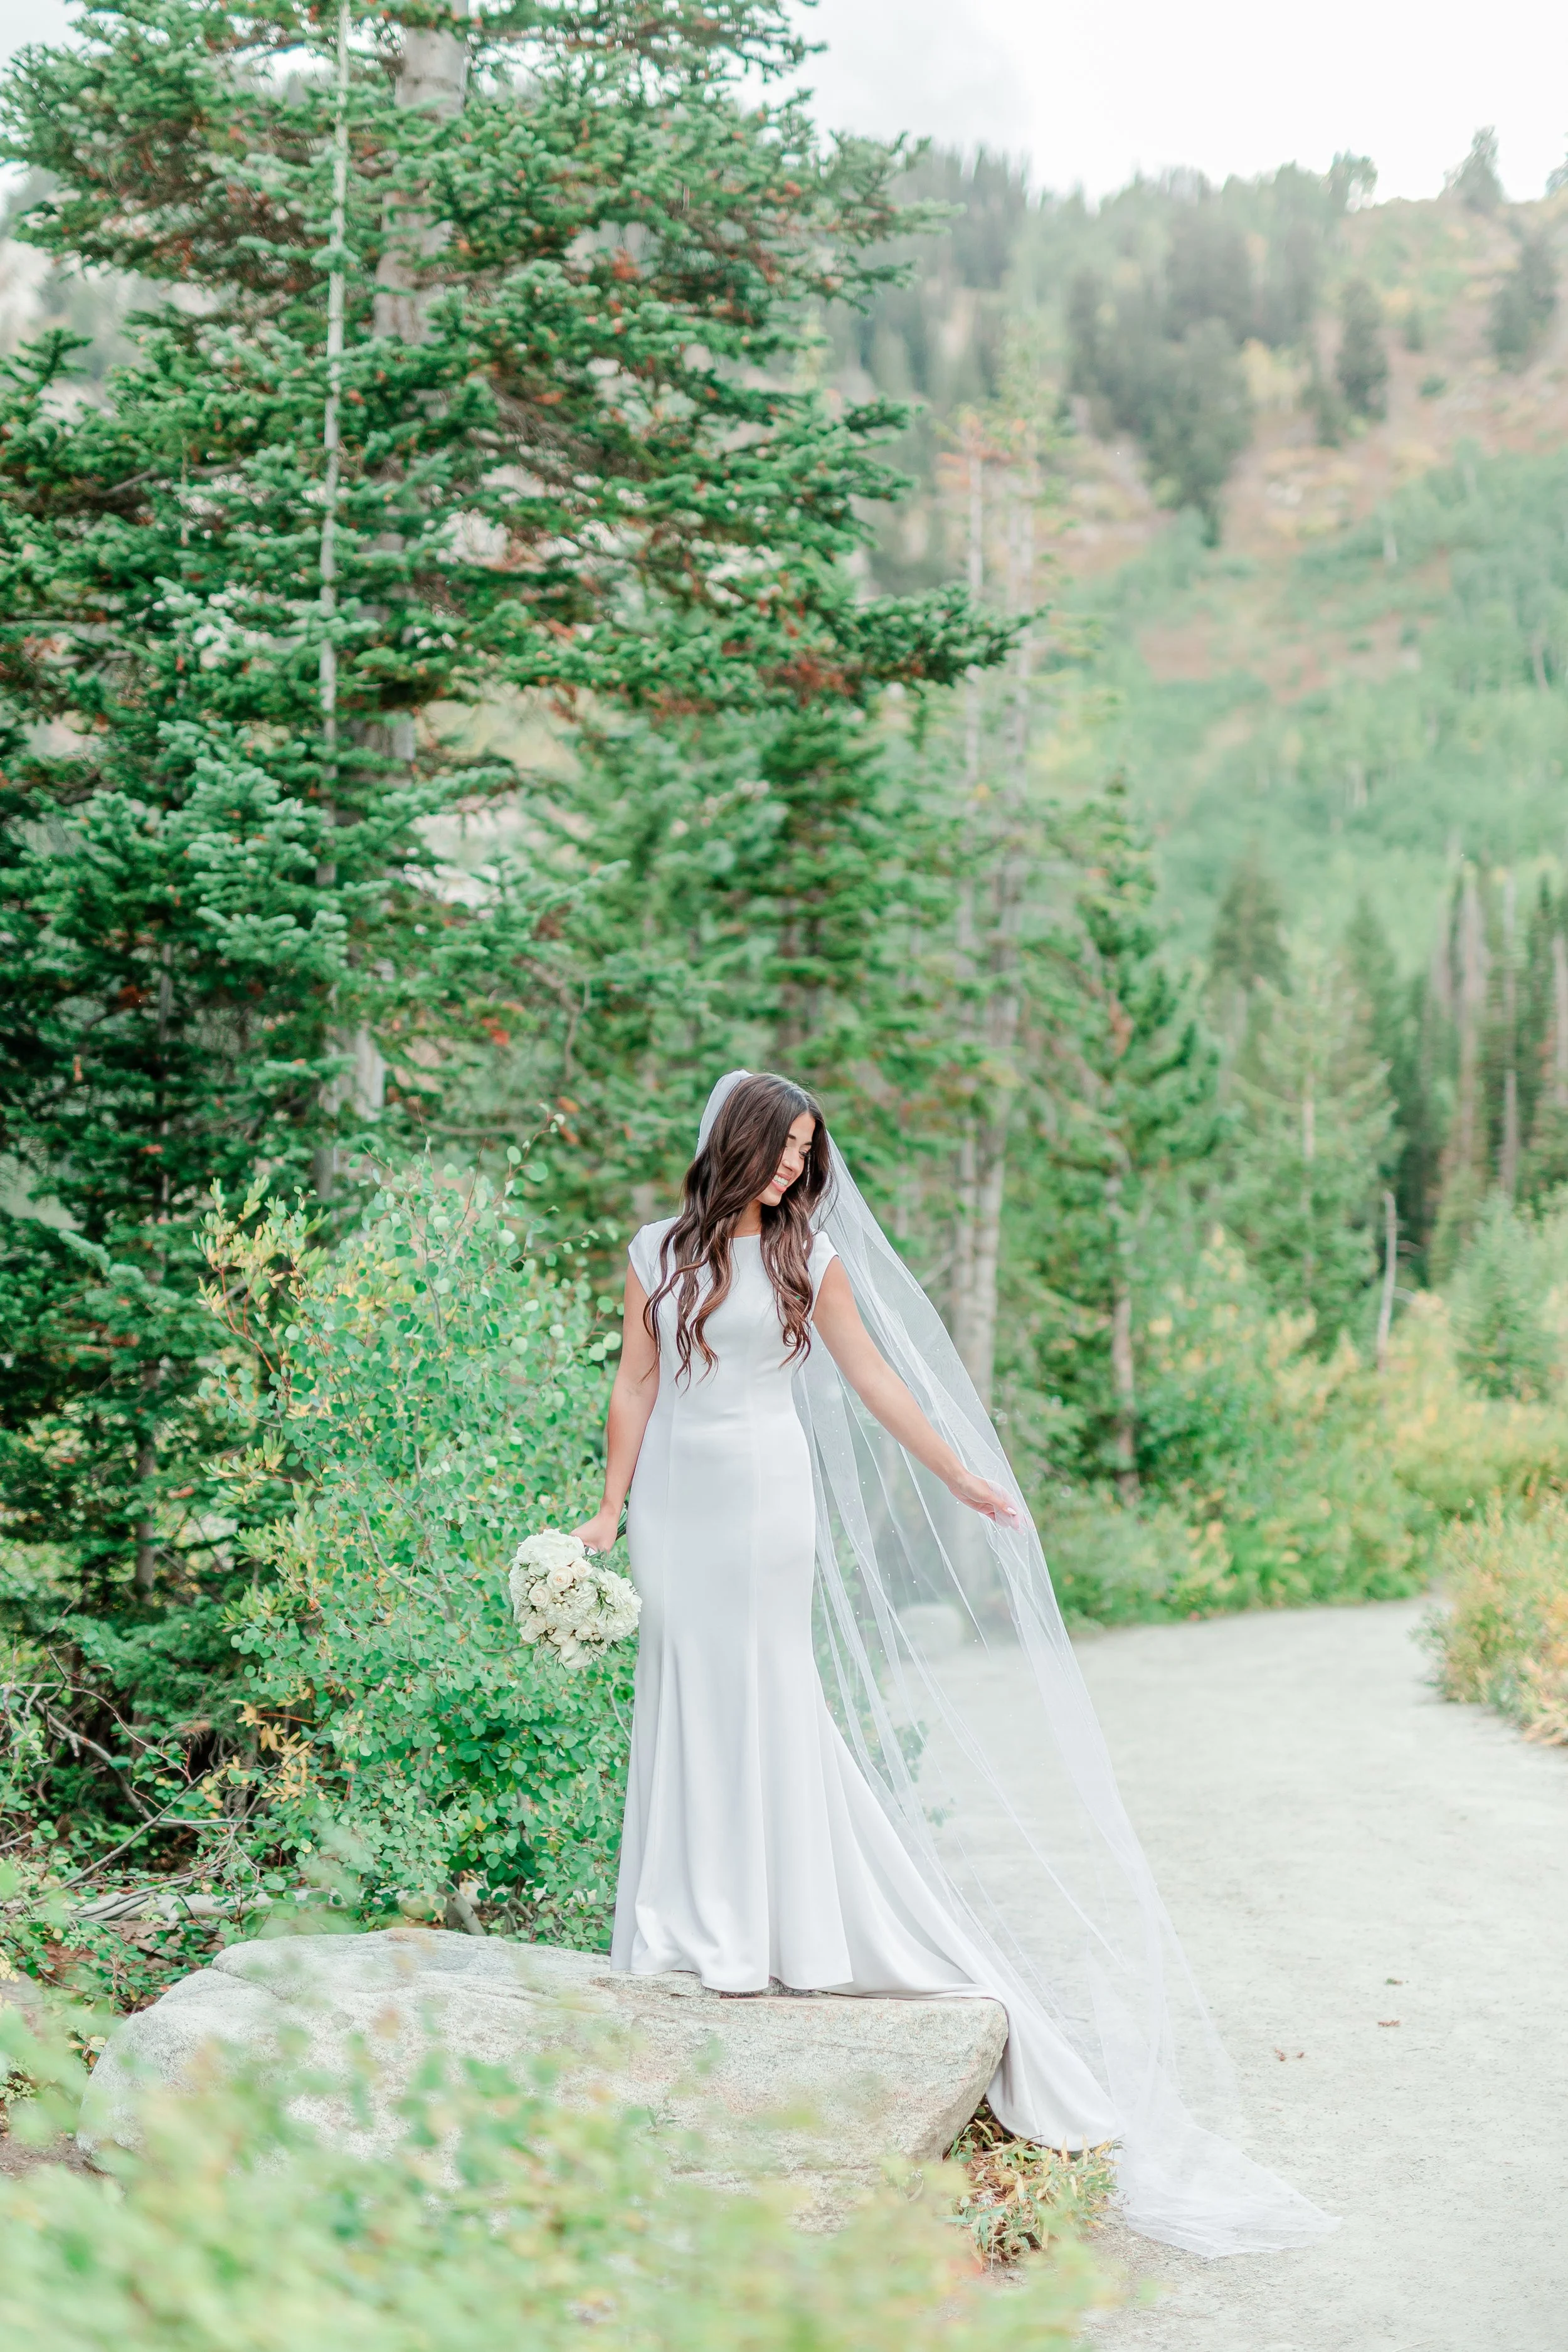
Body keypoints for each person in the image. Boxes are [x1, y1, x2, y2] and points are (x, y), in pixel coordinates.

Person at [573, 1069, 1333, 2256]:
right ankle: (686, 1915)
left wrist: (965, 1473)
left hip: (770, 1499)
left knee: (768, 1692)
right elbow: (633, 1381)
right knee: (686, 1689)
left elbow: (876, 1381)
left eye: (806, 1157)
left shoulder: (805, 1262)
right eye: (781, 1152)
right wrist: (609, 1513)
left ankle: (774, 1926)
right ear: (739, 1142)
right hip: (677, 1500)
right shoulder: (655, 1249)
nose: (792, 1171)